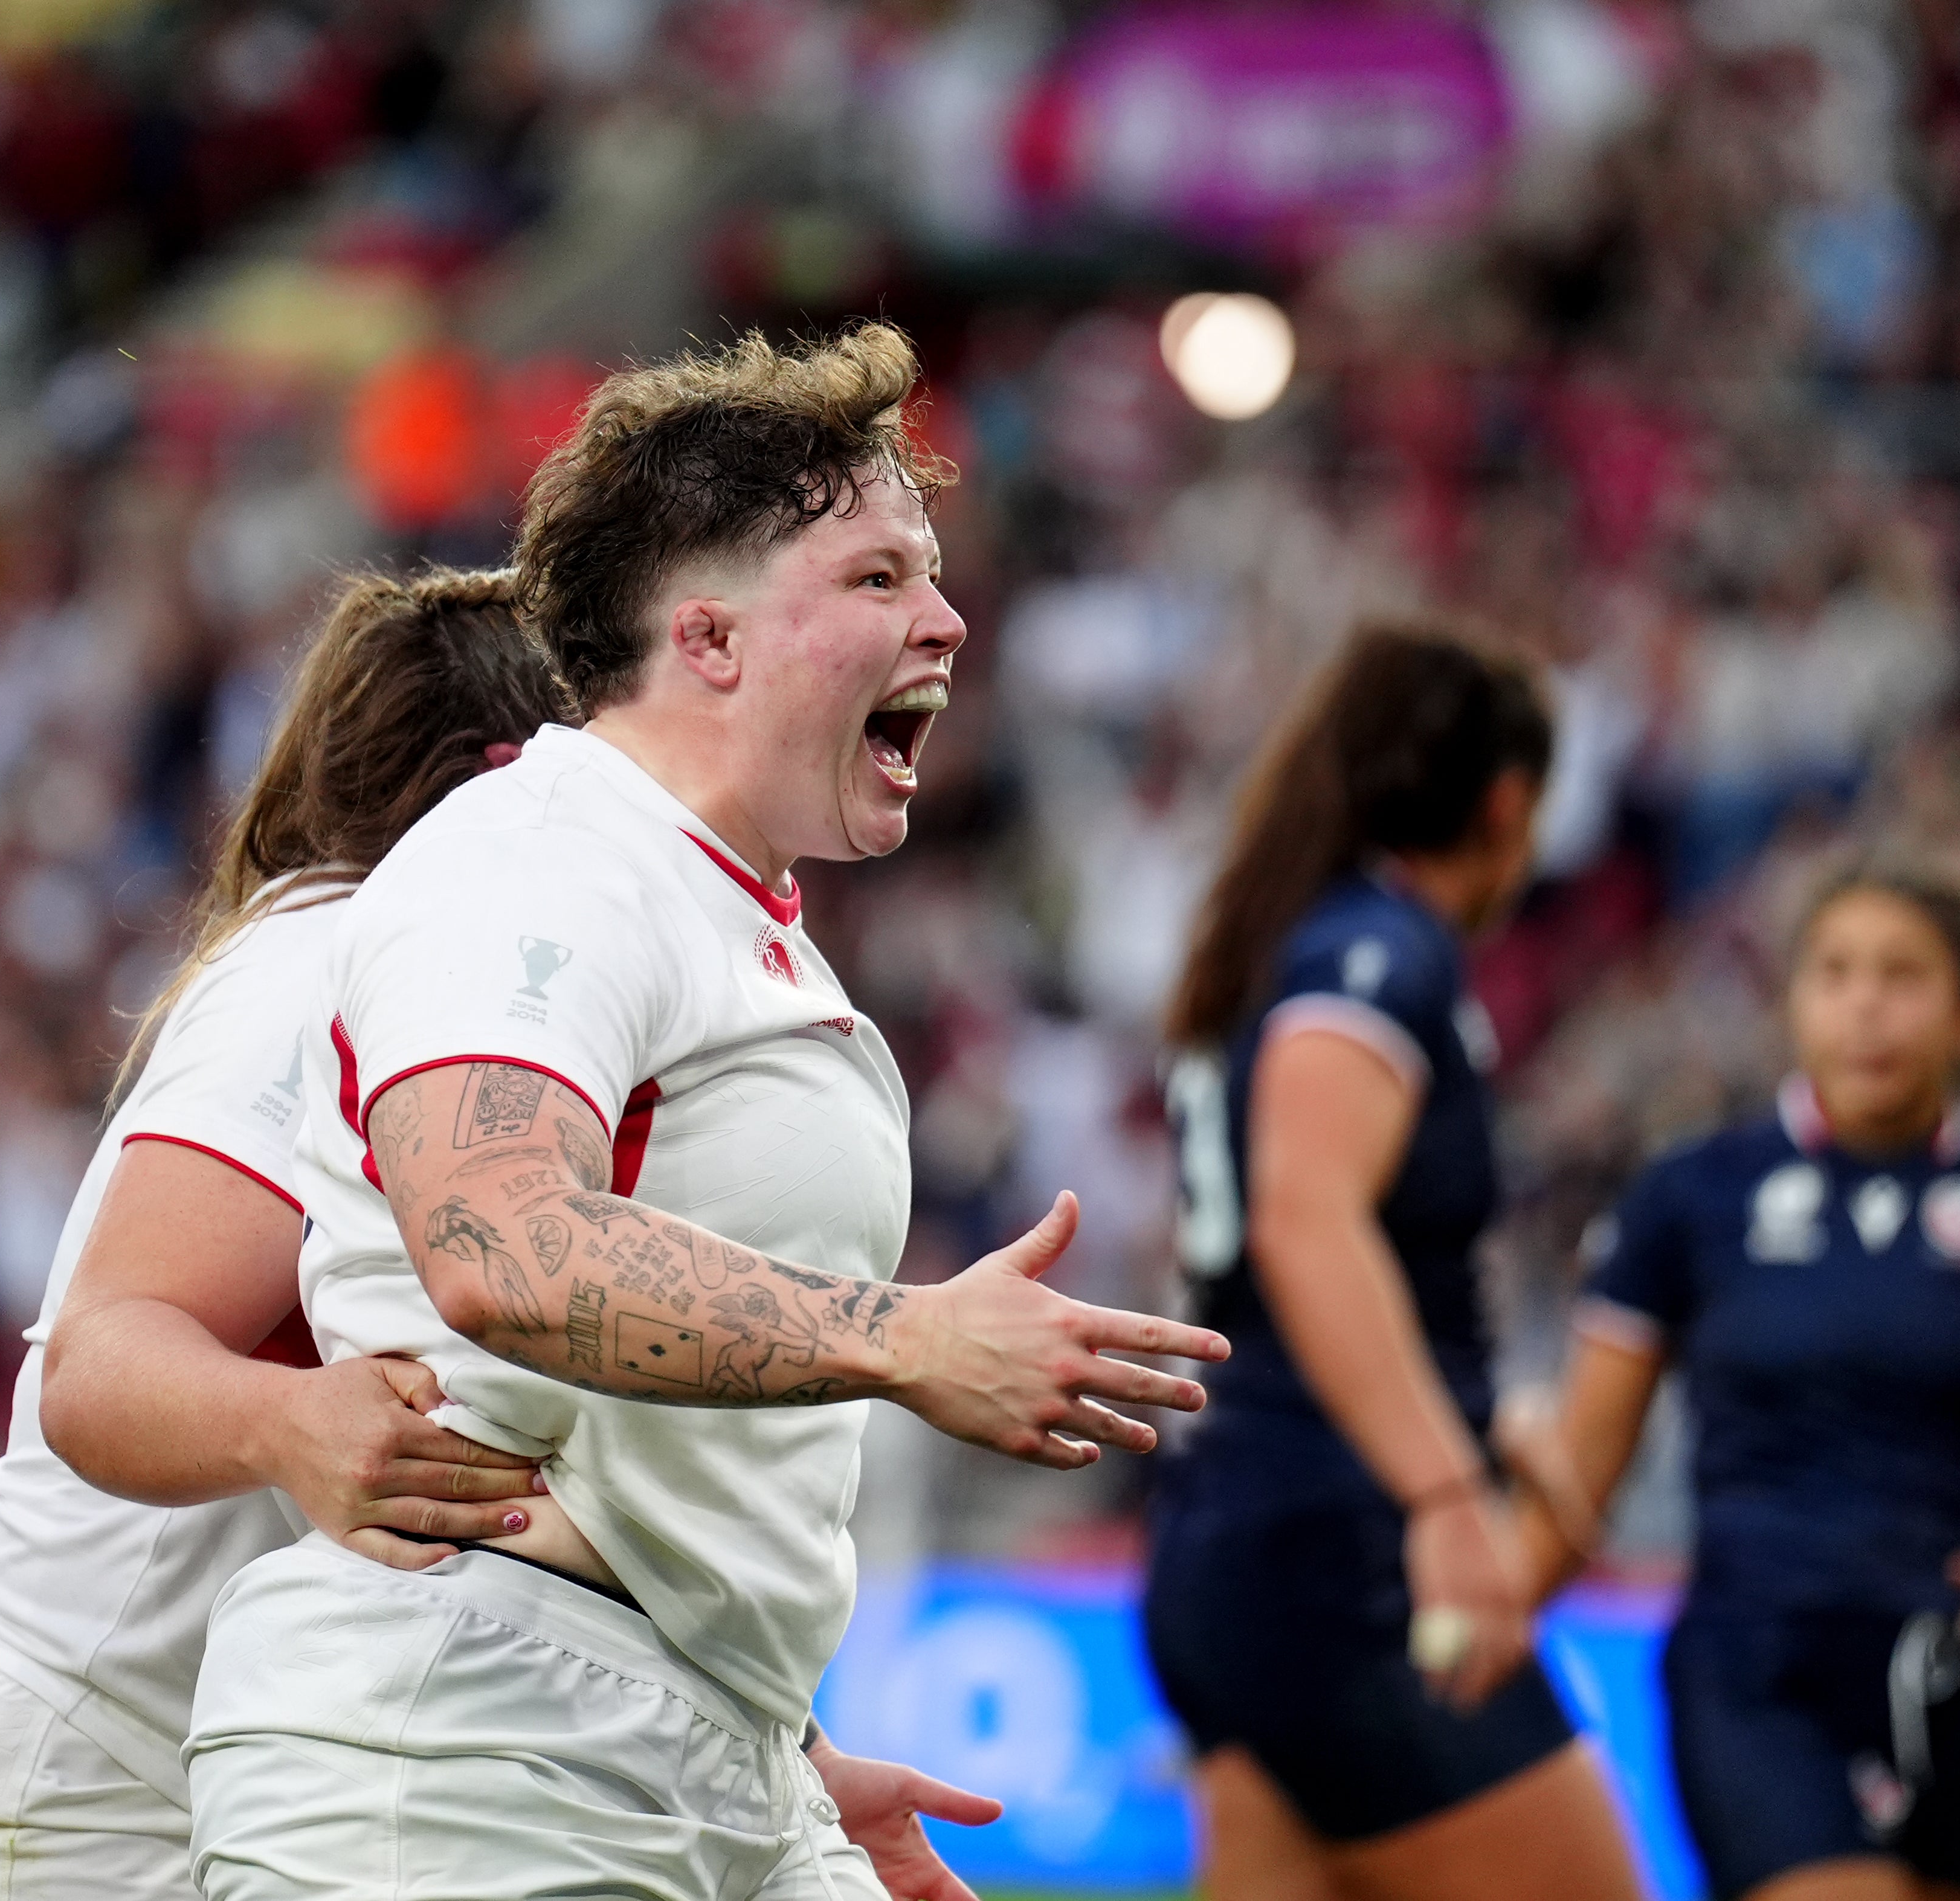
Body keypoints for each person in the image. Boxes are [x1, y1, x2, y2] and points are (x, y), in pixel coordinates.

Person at [179, 323, 1233, 1901]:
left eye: (932, 573)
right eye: (878, 579)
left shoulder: (724, 911)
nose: (945, 617)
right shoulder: (540, 856)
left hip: (684, 1742)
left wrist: (781, 1764)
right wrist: (902, 1336)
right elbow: (501, 1245)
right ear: (712, 639)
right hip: (470, 1757)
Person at [0, 569, 571, 1899]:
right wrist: (292, 1424)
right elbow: (98, 1366)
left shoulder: (436, 994)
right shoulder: (329, 962)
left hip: (182, 1788)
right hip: (67, 1797)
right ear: (501, 779)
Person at [1143, 623, 1645, 1901]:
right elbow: (1304, 1219)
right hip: (1344, 1551)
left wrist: (1471, 1413)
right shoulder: (1380, 954)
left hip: (1239, 1534)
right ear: (1509, 802)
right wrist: (1443, 1487)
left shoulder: (1286, 941)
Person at [1521, 852, 1960, 1901]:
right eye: (1835, 973)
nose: (1865, 1008)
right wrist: (1488, 1590)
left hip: (1949, 1673)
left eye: (1900, 976)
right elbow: (1586, 1467)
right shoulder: (1689, 1196)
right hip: (1752, 1668)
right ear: (1790, 997)